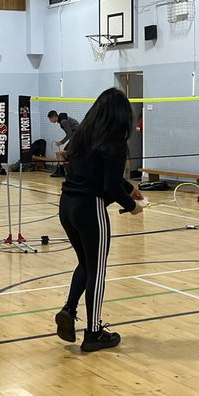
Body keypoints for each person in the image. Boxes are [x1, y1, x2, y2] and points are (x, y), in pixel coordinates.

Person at [54, 88, 144, 352]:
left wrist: (127, 188)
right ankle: (93, 332)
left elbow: (99, 174)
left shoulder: (82, 135)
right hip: (89, 208)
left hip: (66, 205)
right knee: (97, 270)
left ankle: (69, 310)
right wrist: (131, 206)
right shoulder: (115, 142)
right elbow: (109, 184)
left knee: (86, 263)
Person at [47, 110, 79, 178]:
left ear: (53, 117)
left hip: (78, 139)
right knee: (58, 153)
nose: (50, 121)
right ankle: (60, 171)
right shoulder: (62, 120)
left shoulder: (63, 121)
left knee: (60, 153)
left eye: (50, 119)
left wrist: (61, 142)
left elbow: (69, 133)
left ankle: (62, 171)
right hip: (75, 138)